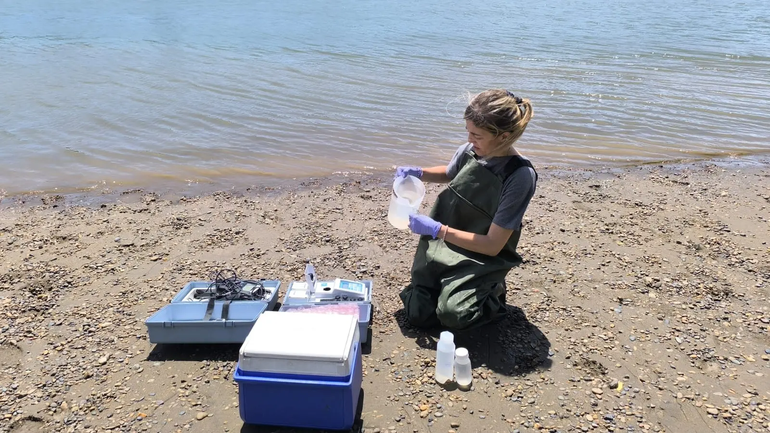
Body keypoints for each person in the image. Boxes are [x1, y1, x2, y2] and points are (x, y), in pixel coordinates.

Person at [396, 89, 538, 330]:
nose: (470, 140)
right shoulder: (471, 150)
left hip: (482, 255)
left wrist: (438, 229)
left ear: (503, 136)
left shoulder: (519, 176)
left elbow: (493, 245)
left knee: (455, 315)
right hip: (449, 241)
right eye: (468, 132)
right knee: (418, 314)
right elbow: (451, 172)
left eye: (477, 135)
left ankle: (492, 292)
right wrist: (419, 172)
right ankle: (448, 284)